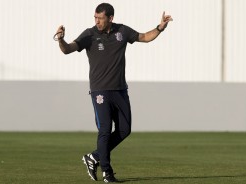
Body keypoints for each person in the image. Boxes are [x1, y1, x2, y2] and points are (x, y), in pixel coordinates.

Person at [55, 3, 173, 183]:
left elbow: (144, 37)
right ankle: (107, 173)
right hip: (100, 91)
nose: (97, 21)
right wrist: (61, 40)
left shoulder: (122, 31)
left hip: (120, 90)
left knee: (125, 130)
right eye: (95, 17)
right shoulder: (89, 34)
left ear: (110, 18)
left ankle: (93, 157)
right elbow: (67, 49)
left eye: (100, 18)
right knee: (104, 130)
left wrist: (160, 28)